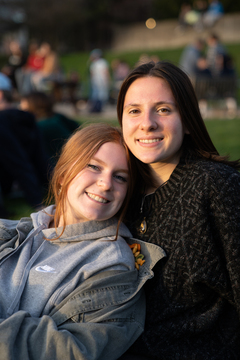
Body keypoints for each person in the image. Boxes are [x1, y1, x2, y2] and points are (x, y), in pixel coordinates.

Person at [0, 123, 166, 360]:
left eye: (120, 177)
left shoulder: (112, 267)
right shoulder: (11, 232)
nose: (106, 183)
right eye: (94, 167)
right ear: (64, 173)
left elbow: (75, 350)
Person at [116, 61, 240, 359]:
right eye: (134, 111)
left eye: (163, 109)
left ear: (187, 120)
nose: (147, 123)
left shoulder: (215, 185)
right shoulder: (119, 192)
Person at [0, 72, 50, 211]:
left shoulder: (2, 123)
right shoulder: (27, 118)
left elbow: (17, 162)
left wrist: (37, 204)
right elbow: (40, 158)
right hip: (22, 184)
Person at [20, 91, 79, 165]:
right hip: (72, 159)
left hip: (60, 165)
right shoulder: (57, 117)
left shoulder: (42, 126)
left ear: (33, 105)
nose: (20, 108)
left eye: (23, 106)